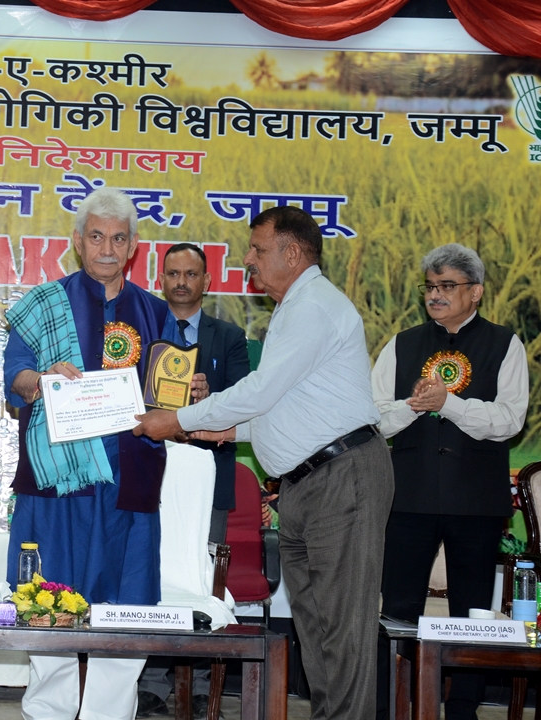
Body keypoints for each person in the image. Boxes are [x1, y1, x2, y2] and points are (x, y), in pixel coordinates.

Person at [133, 206, 393, 720]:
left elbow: (260, 391)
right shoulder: (296, 308)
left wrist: (178, 418)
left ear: (291, 253)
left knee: (343, 628)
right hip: (308, 483)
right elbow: (290, 408)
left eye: (257, 248)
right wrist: (226, 430)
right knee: (316, 628)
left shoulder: (312, 306)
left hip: (341, 479)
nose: (248, 259)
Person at [5, 187, 169, 720]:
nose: (106, 248)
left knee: (126, 607)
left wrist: (191, 393)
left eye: (118, 239)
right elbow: (15, 377)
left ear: (133, 247)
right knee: (47, 599)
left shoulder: (155, 312)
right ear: (78, 242)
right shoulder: (43, 305)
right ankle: (47, 713)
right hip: (60, 480)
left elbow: (168, 393)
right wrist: (42, 380)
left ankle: (109, 714)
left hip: (128, 482)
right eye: (96, 237)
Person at [373, 243, 528, 720]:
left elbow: (509, 419)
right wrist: (414, 406)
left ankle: (462, 708)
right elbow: (373, 418)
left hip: (475, 499)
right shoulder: (401, 343)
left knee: (472, 611)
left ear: (475, 292)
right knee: (398, 608)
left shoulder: (505, 344)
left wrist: (450, 404)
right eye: (430, 286)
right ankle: (393, 704)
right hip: (409, 495)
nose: (435, 295)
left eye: (447, 286)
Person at [137, 242, 251, 718]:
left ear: (207, 281)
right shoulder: (142, 334)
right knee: (151, 577)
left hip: (207, 481)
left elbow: (245, 402)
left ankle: (203, 685)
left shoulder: (230, 336)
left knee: (203, 581)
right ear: (160, 279)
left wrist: (211, 396)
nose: (181, 282)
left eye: (191, 274)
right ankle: (150, 684)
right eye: (173, 273)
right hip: (149, 477)